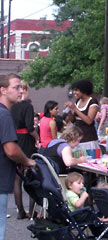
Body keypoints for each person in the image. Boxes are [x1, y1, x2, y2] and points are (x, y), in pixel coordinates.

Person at [0, 73, 36, 239]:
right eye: (16, 87)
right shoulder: (5, 114)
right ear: (3, 90)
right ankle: (25, 210)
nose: (21, 91)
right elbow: (11, 150)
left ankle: (20, 210)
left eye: (22, 87)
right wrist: (28, 161)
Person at [10, 80, 39, 220]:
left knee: (17, 178)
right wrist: (37, 137)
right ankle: (32, 211)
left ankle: (20, 211)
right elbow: (29, 127)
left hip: (15, 140)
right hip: (26, 141)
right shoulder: (27, 106)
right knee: (32, 175)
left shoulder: (11, 106)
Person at [64, 80, 100, 152]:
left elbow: (89, 121)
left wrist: (75, 109)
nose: (74, 92)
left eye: (76, 90)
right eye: (73, 90)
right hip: (77, 137)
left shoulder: (92, 102)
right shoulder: (78, 101)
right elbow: (74, 120)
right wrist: (69, 111)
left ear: (83, 90)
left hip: (88, 138)